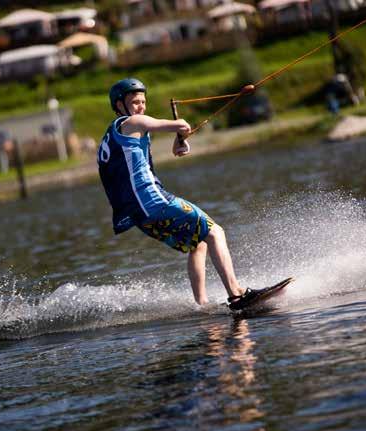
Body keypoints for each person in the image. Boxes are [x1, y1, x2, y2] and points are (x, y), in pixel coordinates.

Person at [97, 78, 265, 310]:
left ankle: (201, 304)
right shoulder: (131, 122)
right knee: (215, 232)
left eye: (143, 102)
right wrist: (180, 127)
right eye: (135, 102)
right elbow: (167, 123)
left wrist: (179, 142)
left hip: (139, 214)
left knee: (199, 243)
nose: (141, 107)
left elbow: (145, 156)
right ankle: (236, 294)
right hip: (152, 201)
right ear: (118, 106)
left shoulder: (116, 135)